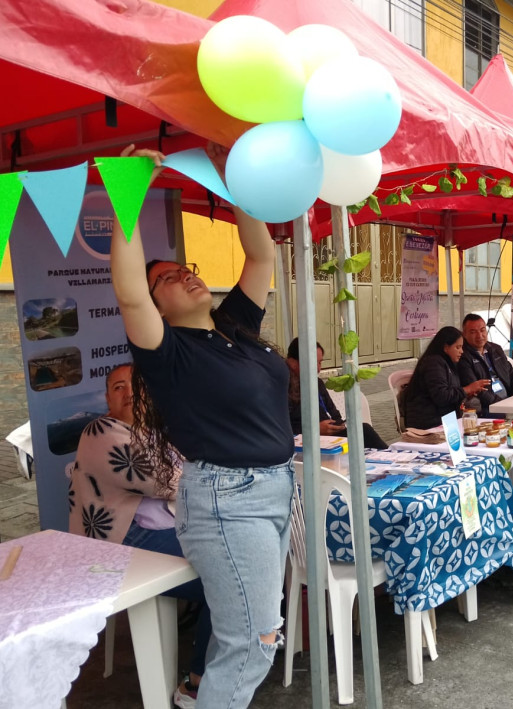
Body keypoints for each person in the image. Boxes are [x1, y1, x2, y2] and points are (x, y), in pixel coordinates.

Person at [111, 144, 294, 708]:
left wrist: (231, 177)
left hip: (274, 487)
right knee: (253, 644)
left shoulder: (233, 326)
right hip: (227, 499)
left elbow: (261, 256)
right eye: (167, 277)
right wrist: (131, 189)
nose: (185, 276)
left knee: (248, 639)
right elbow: (126, 289)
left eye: (187, 269)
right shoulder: (166, 351)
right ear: (155, 304)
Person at [68, 364, 210, 708]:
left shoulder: (153, 431)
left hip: (160, 533)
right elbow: (170, 481)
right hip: (121, 545)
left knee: (239, 565)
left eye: (135, 386)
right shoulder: (101, 430)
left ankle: (233, 651)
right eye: (118, 387)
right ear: (107, 398)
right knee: (224, 581)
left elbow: (193, 468)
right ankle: (196, 685)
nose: (128, 393)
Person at [285, 338, 387, 449]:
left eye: (320, 362)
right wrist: (314, 429)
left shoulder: (317, 383)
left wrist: (338, 424)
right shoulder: (283, 387)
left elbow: (332, 411)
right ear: (293, 363)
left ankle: (390, 457)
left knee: (362, 430)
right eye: (314, 363)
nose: (318, 368)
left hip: (330, 437)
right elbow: (283, 427)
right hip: (304, 442)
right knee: (364, 432)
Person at [403, 326, 489, 429]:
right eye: (457, 347)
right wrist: (467, 389)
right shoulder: (433, 363)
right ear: (445, 347)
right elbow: (441, 396)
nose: (462, 351)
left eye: (462, 347)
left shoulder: (449, 364)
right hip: (428, 423)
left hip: (444, 419)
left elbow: (450, 392)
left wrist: (466, 394)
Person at [457, 314, 513, 417]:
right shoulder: (463, 356)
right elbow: (479, 391)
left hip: (510, 401)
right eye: (473, 332)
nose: (479, 336)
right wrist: (505, 406)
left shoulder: (495, 349)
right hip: (488, 407)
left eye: (482, 330)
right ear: (464, 335)